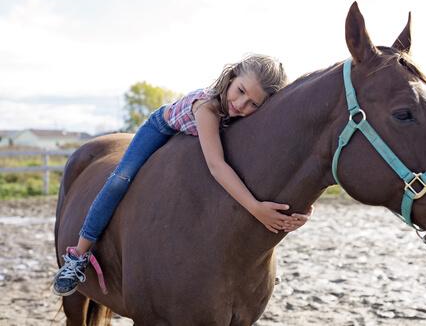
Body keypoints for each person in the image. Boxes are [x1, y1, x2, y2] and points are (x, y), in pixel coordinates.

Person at [53, 54, 313, 296]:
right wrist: (255, 208)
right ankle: (78, 255)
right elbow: (216, 165)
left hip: (199, 136)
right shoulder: (208, 107)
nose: (240, 104)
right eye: (241, 91)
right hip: (162, 127)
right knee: (119, 180)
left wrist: (304, 208)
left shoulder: (244, 117)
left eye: (253, 104)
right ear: (232, 77)